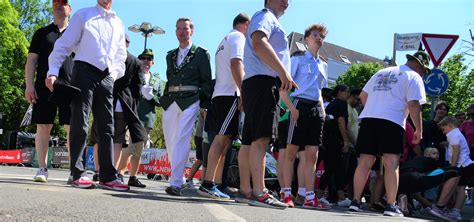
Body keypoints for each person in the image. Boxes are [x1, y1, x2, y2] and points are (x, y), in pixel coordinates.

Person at [46, 0, 129, 190]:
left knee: (107, 126)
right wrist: (53, 71)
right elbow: (64, 45)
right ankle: (77, 173)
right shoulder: (83, 15)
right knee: (80, 122)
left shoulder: (118, 22)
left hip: (107, 76)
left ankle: (108, 176)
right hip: (83, 71)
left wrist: (113, 75)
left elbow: (120, 56)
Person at [349, 50, 429, 217]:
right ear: (420, 67)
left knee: (364, 162)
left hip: (369, 119)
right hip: (392, 121)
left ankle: (355, 201)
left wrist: (375, 107)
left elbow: (363, 96)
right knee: (391, 163)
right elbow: (414, 105)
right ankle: (391, 206)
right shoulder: (414, 77)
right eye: (424, 71)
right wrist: (418, 129)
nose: (423, 74)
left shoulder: (382, 72)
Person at [241, 0, 296, 209]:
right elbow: (259, 42)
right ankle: (260, 192)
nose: (287, 1)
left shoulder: (264, 17)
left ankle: (247, 189)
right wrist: (283, 72)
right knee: (261, 139)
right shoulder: (266, 16)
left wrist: (284, 75)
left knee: (250, 140)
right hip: (263, 83)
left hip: (256, 83)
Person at [197, 13, 250, 200]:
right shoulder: (238, 37)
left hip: (221, 94)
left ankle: (215, 184)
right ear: (246, 24)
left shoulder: (224, 39)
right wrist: (244, 92)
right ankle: (208, 183)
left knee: (225, 141)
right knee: (220, 140)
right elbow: (237, 64)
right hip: (229, 95)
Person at [279, 24, 329, 210]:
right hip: (299, 105)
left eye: (321, 36)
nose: (319, 38)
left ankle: (309, 196)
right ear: (306, 39)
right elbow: (284, 88)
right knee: (290, 153)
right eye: (315, 35)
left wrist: (322, 110)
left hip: (316, 109)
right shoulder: (297, 60)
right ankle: (286, 193)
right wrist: (292, 108)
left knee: (311, 156)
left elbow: (320, 90)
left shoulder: (324, 64)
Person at [161, 17, 212, 196]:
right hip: (171, 99)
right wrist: (163, 98)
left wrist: (205, 105)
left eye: (186, 28)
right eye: (179, 28)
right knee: (170, 139)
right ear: (176, 31)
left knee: (182, 137)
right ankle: (180, 177)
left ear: (192, 31)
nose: (182, 32)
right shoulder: (170, 55)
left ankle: (175, 182)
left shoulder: (200, 53)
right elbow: (169, 78)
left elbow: (206, 81)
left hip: (191, 99)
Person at [25, 0, 73, 183]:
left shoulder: (77, 34)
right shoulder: (41, 33)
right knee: (43, 126)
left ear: (70, 9)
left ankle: (74, 169)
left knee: (72, 128)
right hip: (43, 87)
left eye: (63, 2)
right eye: (56, 2)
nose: (59, 5)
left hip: (69, 87)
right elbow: (31, 61)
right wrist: (29, 85)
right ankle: (42, 168)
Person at [114, 37, 148, 188]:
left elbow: (138, 88)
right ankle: (114, 172)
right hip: (119, 105)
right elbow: (138, 88)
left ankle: (113, 172)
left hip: (119, 105)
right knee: (117, 141)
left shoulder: (132, 61)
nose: (147, 60)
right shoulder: (131, 61)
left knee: (117, 141)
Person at [430, 116, 474, 221]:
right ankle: (456, 210)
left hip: (461, 165)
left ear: (450, 126)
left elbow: (456, 151)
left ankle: (452, 210)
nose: (443, 132)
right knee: (461, 189)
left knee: (459, 188)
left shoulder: (452, 134)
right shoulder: (457, 134)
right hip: (465, 164)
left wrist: (453, 168)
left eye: (443, 129)